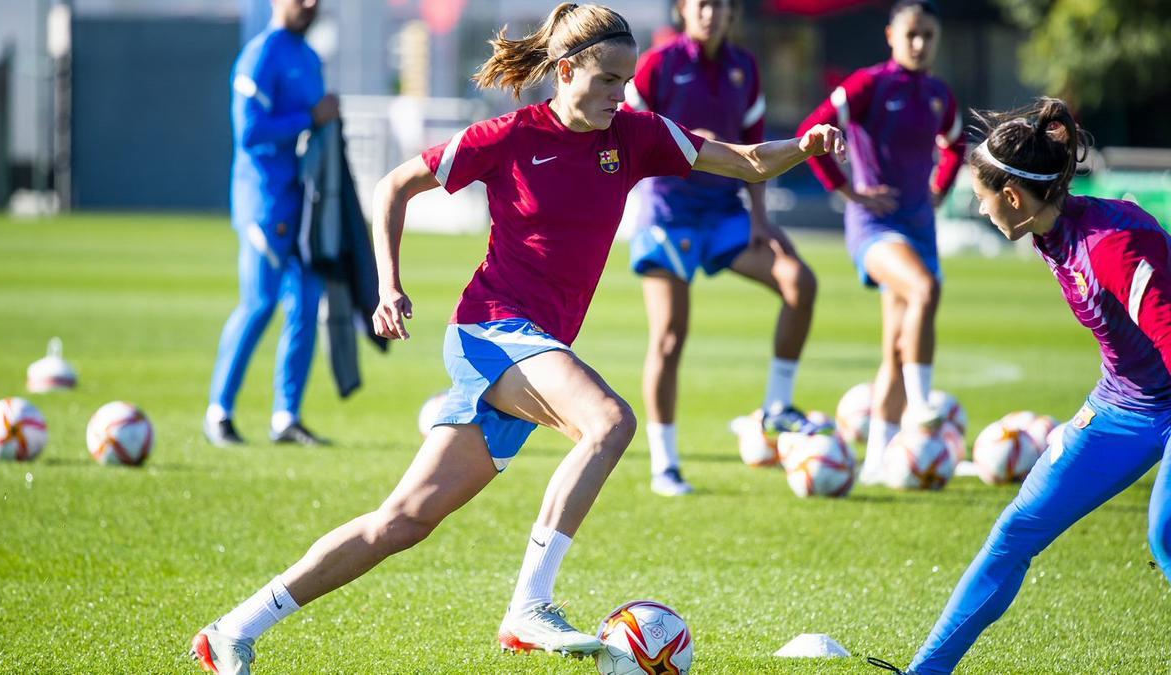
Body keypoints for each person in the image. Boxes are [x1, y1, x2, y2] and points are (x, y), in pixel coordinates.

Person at [188, 3, 844, 671]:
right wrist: (388, 285)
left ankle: (232, 630)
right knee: (609, 422)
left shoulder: (638, 134)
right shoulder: (506, 135)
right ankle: (529, 604)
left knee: (400, 522)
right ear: (565, 71)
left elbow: (747, 161)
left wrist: (808, 144)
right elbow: (393, 187)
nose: (621, 96)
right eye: (608, 80)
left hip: (526, 346)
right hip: (490, 330)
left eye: (626, 82)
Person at [868, 97, 1171, 675]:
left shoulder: (1114, 246)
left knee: (1167, 532)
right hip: (1123, 404)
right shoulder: (1049, 232)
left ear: (1012, 197)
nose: (981, 212)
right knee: (1013, 532)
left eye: (982, 200)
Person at [624, 0, 821, 497]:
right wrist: (685, 142)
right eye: (701, 4)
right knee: (669, 337)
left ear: (732, 14)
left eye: (721, 5)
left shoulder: (744, 67)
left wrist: (760, 218)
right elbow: (626, 129)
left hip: (725, 214)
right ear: (683, 11)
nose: (711, 13)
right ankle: (665, 464)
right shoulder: (657, 64)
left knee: (799, 281)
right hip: (669, 214)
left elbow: (756, 148)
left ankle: (777, 406)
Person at [797, 0, 965, 483]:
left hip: (919, 228)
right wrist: (849, 191)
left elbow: (955, 146)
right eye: (910, 34)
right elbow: (812, 129)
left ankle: (875, 464)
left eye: (928, 36)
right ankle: (922, 405)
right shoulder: (870, 84)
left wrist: (938, 191)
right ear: (891, 35)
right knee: (925, 289)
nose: (919, 44)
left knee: (894, 347)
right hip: (875, 228)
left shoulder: (937, 93)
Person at [204, 0, 340, 448]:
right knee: (259, 304)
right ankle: (219, 412)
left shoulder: (309, 57)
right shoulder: (261, 55)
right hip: (264, 200)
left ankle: (286, 418)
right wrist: (310, 117)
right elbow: (248, 131)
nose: (311, 4)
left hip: (303, 203)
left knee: (305, 303)